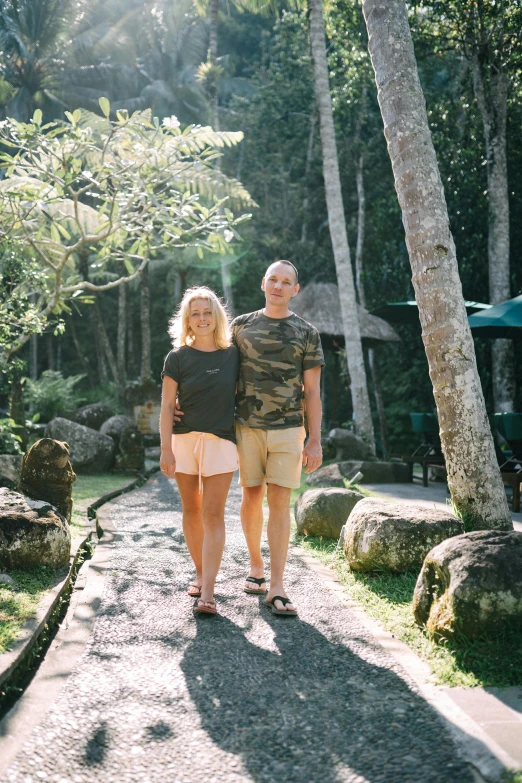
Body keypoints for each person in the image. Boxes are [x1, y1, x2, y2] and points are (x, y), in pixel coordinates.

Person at [232, 260, 324, 616]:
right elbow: (218, 372)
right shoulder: (240, 326)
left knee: (280, 502)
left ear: (295, 290)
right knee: (252, 496)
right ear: (263, 283)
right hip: (246, 425)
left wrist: (314, 439)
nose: (278, 286)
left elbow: (313, 391)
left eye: (286, 282)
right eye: (273, 279)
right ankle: (256, 564)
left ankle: (278, 585)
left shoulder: (306, 332)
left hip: (289, 428)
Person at [159, 286, 239, 616]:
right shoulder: (176, 357)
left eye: (207, 312)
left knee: (213, 514)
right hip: (184, 442)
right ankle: (201, 572)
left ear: (216, 316)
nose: (202, 318)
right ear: (187, 321)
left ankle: (208, 593)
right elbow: (166, 406)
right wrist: (166, 449)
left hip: (222, 441)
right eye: (195, 314)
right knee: (191, 510)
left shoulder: (234, 354)